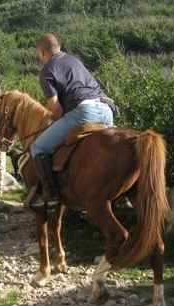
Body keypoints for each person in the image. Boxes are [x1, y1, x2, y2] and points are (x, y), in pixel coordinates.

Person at [30, 33, 114, 208]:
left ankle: (51, 195)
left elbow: (56, 109)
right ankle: (121, 195)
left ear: (42, 52)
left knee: (38, 147)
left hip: (84, 112)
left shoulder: (47, 71)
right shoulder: (75, 61)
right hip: (107, 110)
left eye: (39, 55)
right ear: (58, 47)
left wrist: (57, 122)